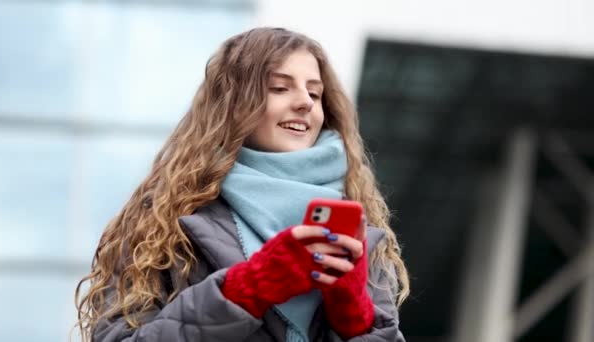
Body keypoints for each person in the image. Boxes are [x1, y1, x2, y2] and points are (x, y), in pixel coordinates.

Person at [75, 27, 409, 342]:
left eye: (315, 92)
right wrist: (246, 289)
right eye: (280, 88)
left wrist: (356, 318)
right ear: (233, 106)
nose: (305, 102)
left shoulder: (362, 235)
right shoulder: (162, 222)